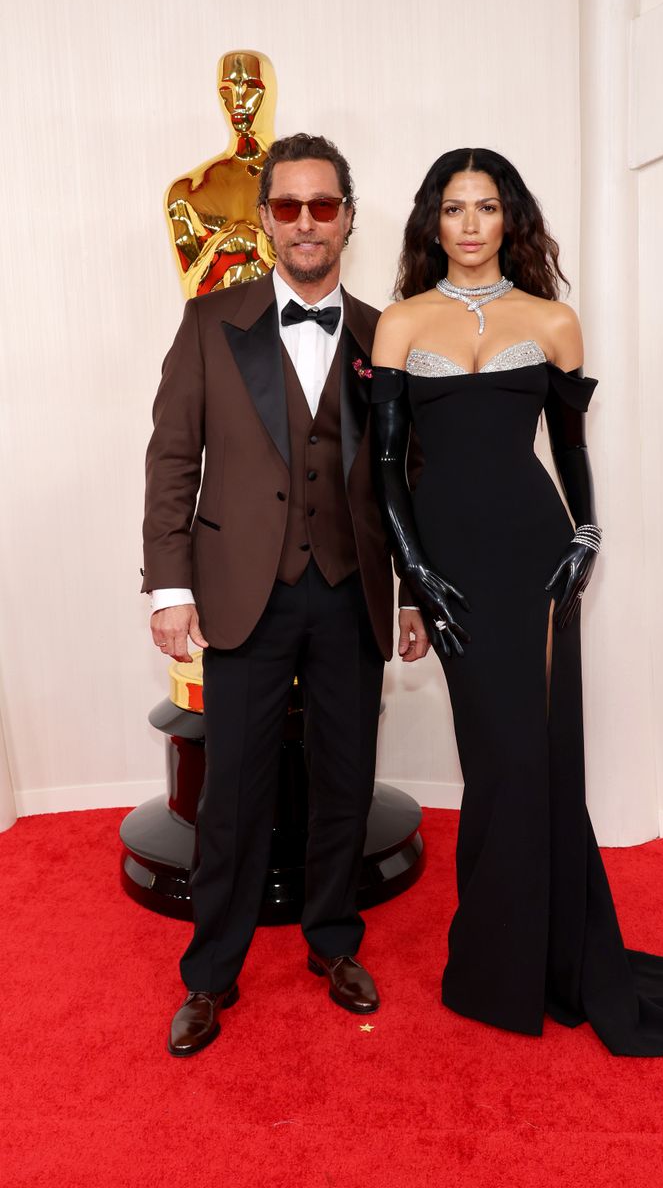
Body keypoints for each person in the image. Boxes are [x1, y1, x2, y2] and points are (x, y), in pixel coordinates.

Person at [369, 147, 663, 1056]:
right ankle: (501, 962)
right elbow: (386, 467)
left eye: (488, 208)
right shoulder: (399, 324)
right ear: (434, 221)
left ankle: (543, 962)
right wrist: (414, 574)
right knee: (495, 758)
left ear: (512, 220)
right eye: (455, 208)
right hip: (451, 562)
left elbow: (570, 450)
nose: (470, 224)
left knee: (537, 757)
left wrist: (587, 535)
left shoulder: (552, 321)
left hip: (536, 555)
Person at [143, 133, 429, 1058]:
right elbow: (171, 460)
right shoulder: (207, 322)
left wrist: (415, 593)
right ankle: (211, 975)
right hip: (239, 592)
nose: (307, 223)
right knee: (234, 793)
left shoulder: (391, 335)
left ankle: (334, 944)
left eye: (324, 205)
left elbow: (410, 479)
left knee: (346, 781)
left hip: (351, 592)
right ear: (264, 218)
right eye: (288, 206)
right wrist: (170, 587)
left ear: (349, 214)